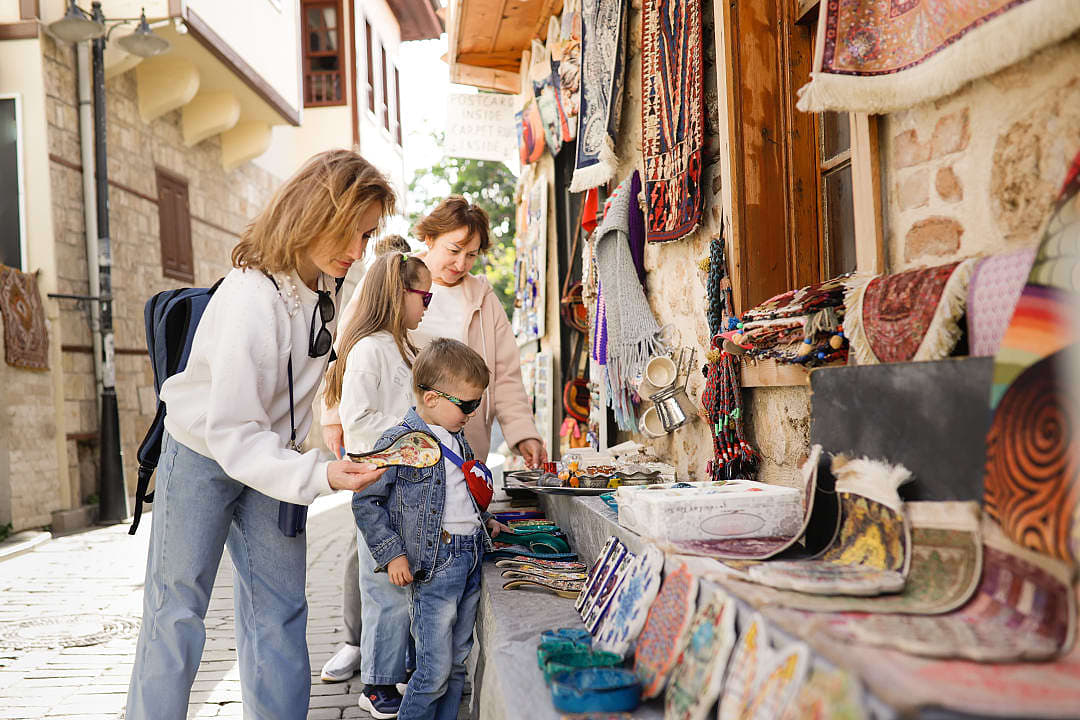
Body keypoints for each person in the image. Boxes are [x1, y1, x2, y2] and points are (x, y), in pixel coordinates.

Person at [125, 149, 394, 720]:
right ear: (310, 213)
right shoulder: (251, 296)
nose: (357, 252)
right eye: (350, 233)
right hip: (203, 453)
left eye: (367, 237)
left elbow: (297, 393)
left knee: (281, 611)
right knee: (177, 611)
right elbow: (232, 431)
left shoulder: (328, 283)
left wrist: (316, 457)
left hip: (272, 458)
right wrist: (318, 473)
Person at [320, 196, 548, 684]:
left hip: (453, 447)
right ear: (430, 239)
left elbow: (504, 375)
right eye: (454, 249)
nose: (461, 263)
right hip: (396, 448)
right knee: (377, 549)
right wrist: (333, 417)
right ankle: (358, 644)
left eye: (472, 254)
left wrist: (523, 431)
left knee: (432, 556)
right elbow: (344, 352)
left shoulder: (483, 299)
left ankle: (415, 662)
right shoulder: (395, 277)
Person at [353, 338, 513, 720]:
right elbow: (366, 501)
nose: (473, 413)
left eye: (477, 404)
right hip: (436, 564)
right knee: (433, 670)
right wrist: (392, 552)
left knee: (457, 663)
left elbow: (460, 493)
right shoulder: (400, 443)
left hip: (470, 555)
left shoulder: (456, 436)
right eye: (467, 404)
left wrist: (484, 521)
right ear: (431, 398)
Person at [320, 252, 432, 717]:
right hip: (378, 485)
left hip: (407, 484)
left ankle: (399, 668)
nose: (428, 304)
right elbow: (359, 421)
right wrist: (417, 426)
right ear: (396, 293)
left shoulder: (405, 346)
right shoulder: (367, 349)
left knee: (404, 584)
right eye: (423, 295)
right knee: (382, 585)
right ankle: (377, 685)